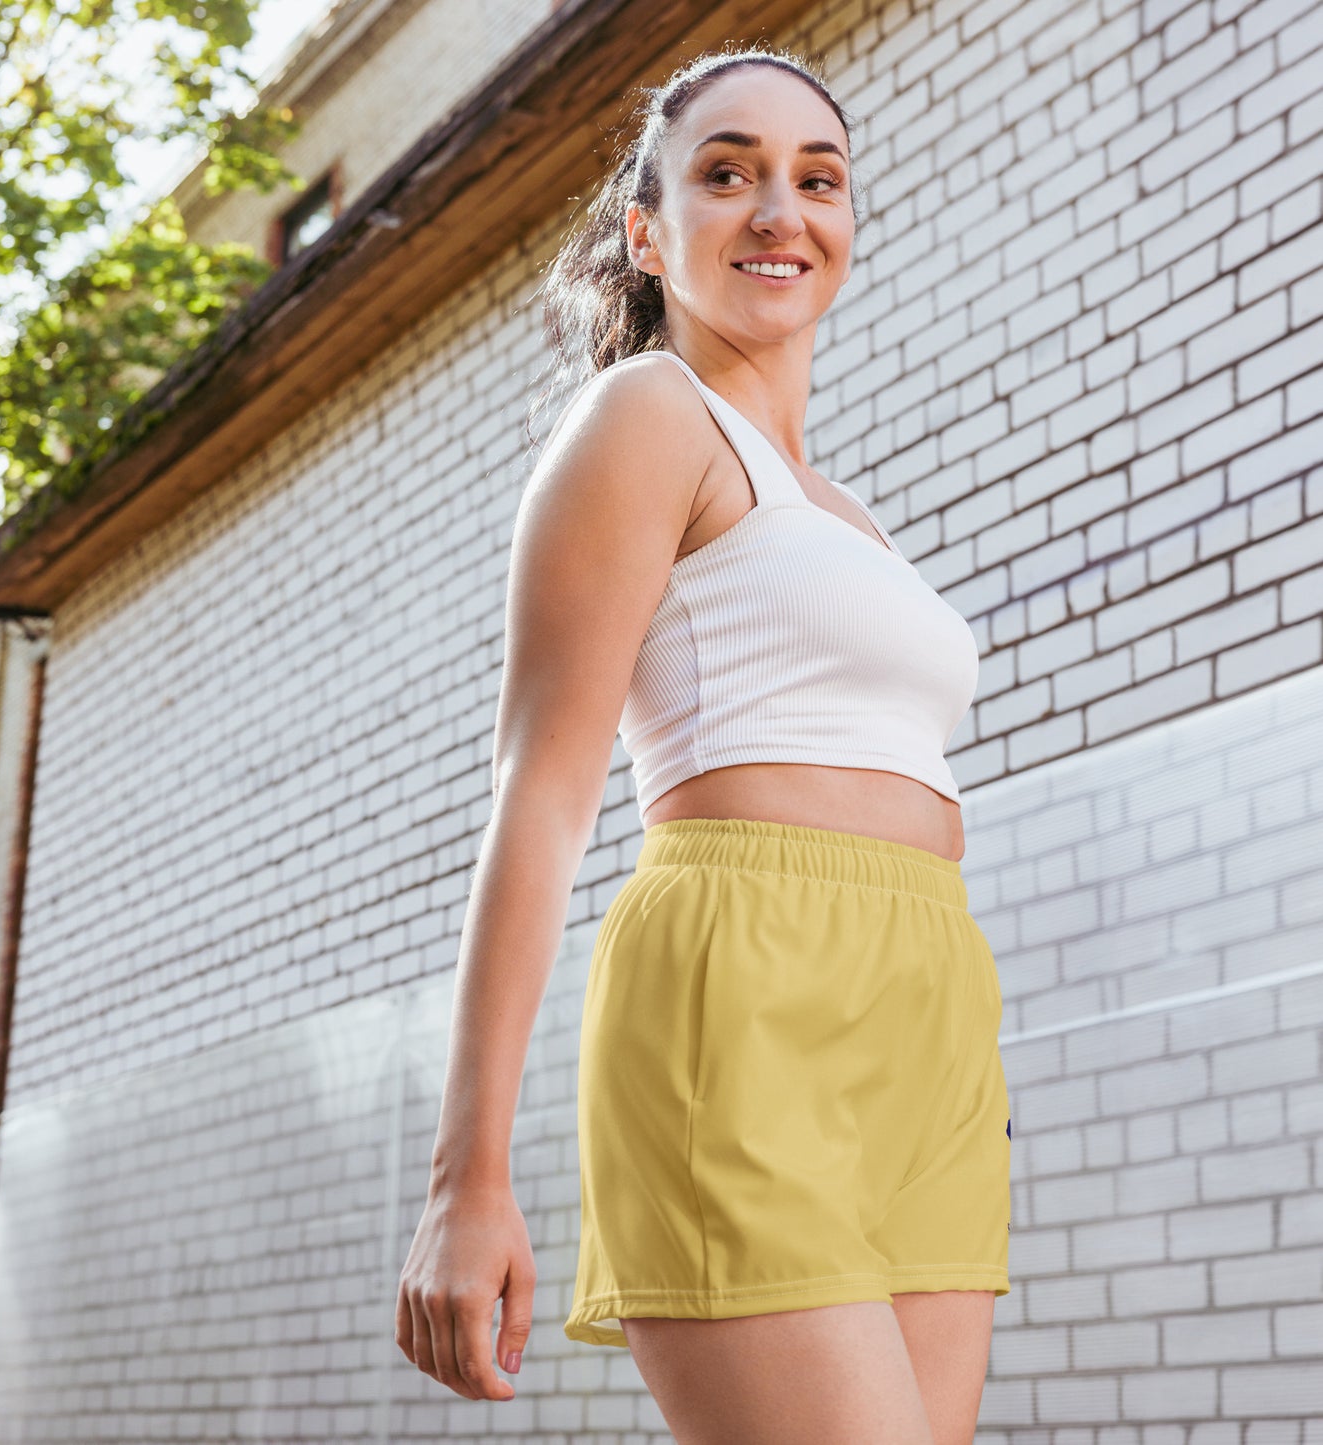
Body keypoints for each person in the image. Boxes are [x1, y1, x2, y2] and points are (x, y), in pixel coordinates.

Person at [394, 44, 1011, 1445]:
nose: (778, 210)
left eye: (817, 178)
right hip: (740, 980)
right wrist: (465, 1176)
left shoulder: (846, 510)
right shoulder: (644, 418)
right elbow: (539, 795)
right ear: (646, 230)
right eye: (726, 173)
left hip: (927, 1007)